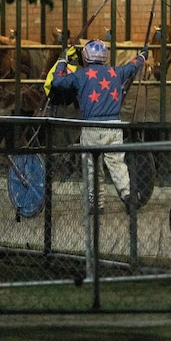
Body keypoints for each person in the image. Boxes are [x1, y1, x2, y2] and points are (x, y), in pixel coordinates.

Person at [50, 39, 147, 215]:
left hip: (90, 127)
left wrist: (62, 60)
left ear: (86, 56)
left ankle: (97, 203)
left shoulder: (81, 75)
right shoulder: (116, 72)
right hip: (113, 127)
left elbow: (57, 82)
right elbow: (133, 66)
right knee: (117, 163)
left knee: (92, 167)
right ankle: (128, 195)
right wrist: (142, 56)